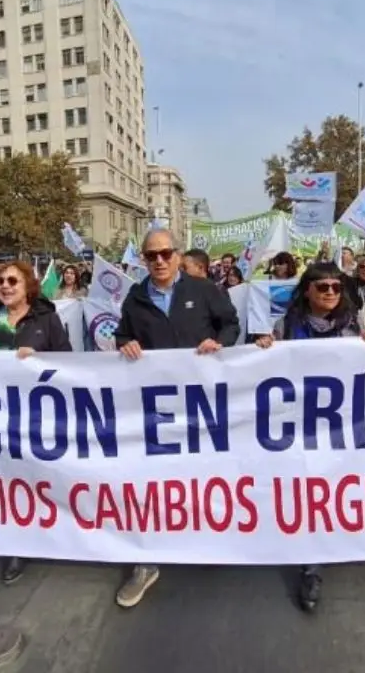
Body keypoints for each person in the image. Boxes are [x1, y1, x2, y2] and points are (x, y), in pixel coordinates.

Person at [113, 229, 240, 608]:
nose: (160, 261)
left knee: (203, 472)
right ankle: (146, 561)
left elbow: (230, 324)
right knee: (150, 479)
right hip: (153, 407)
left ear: (177, 254)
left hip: (201, 402)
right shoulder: (135, 298)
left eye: (166, 253)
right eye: (151, 255)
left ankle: (209, 539)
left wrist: (221, 344)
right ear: (143, 259)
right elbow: (122, 334)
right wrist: (124, 343)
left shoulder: (202, 290)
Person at [252, 262, 365, 612]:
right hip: (299, 426)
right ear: (306, 289)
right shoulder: (286, 326)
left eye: (336, 287)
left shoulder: (360, 323)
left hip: (344, 426)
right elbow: (264, 370)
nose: (329, 292)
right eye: (322, 286)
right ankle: (311, 565)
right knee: (307, 491)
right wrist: (263, 347)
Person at [0, 261, 73, 585]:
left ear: (28, 286)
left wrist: (38, 358)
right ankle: (19, 544)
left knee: (42, 475)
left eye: (12, 281)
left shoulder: (46, 317)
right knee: (10, 476)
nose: (4, 286)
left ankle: (57, 528)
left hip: (38, 413)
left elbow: (69, 358)